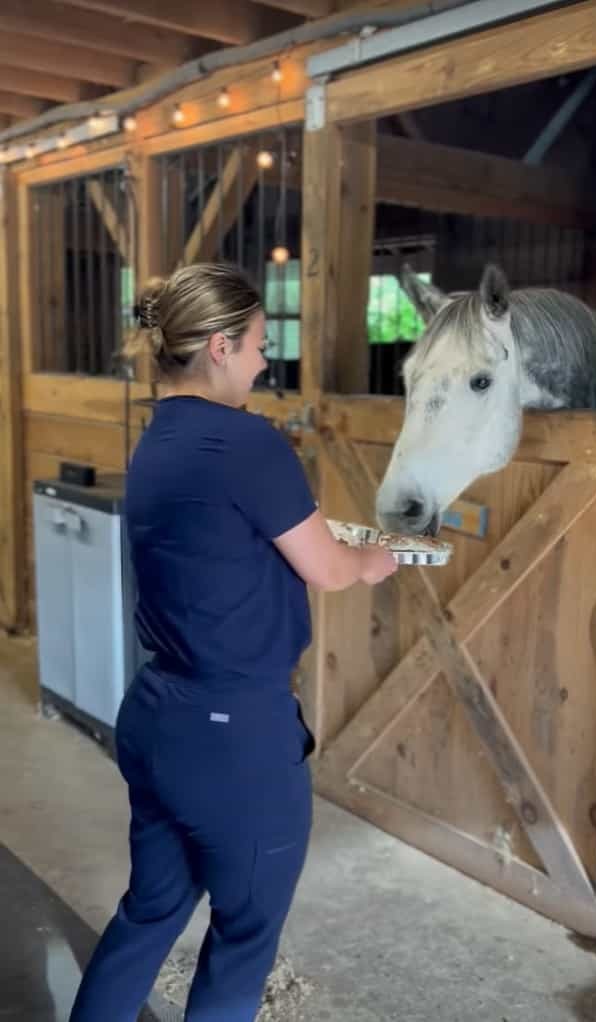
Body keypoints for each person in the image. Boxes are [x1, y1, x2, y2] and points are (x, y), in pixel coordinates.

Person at [69, 262, 397, 1022]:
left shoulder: (158, 441)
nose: (262, 359)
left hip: (157, 715)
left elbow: (230, 546)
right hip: (233, 736)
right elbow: (329, 568)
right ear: (218, 347)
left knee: (149, 911)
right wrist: (375, 558)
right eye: (255, 342)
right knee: (244, 938)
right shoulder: (247, 445)